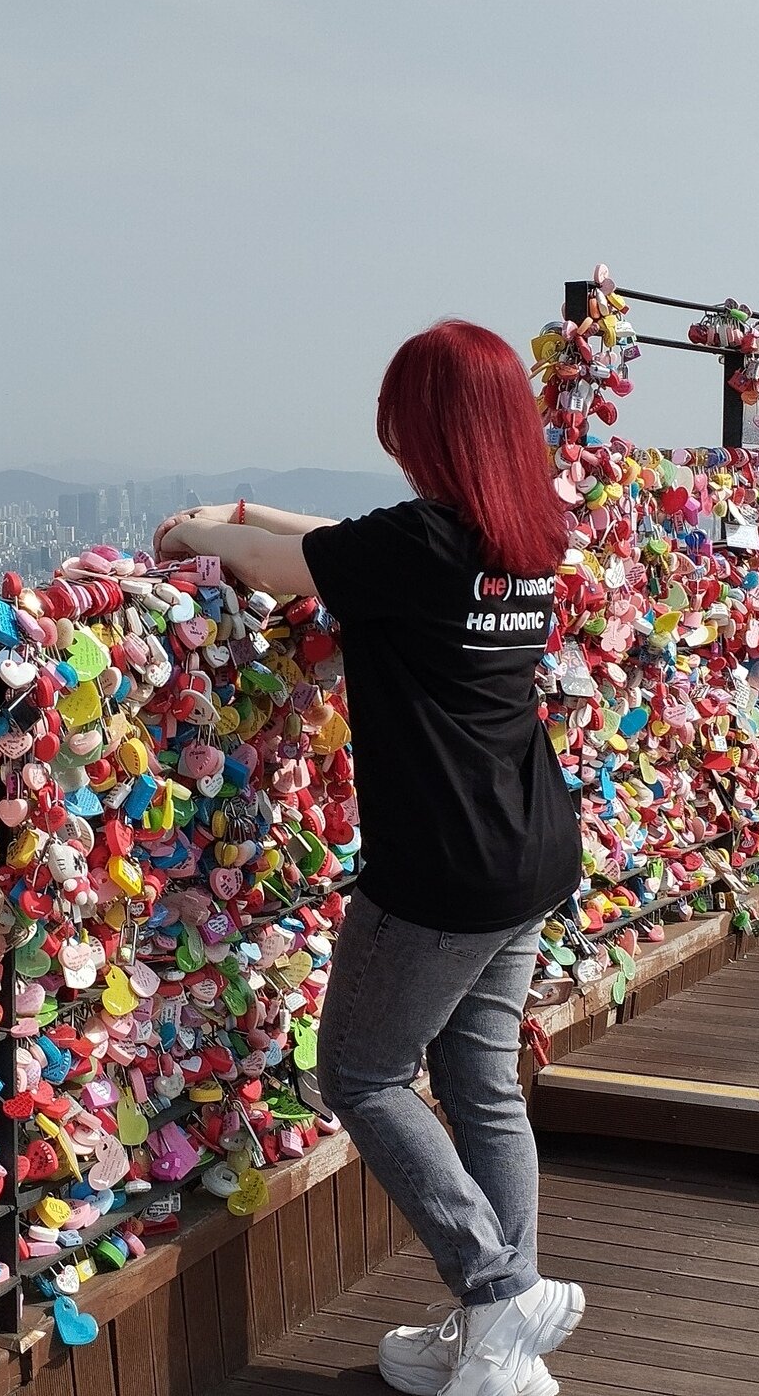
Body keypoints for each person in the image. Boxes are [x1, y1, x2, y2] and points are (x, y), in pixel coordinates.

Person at [153, 320, 586, 1396]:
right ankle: (498, 1331)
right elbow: (336, 541)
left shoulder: (421, 546)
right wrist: (251, 513)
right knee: (480, 1080)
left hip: (443, 865)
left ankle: (497, 1292)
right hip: (532, 843)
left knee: (360, 1072)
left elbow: (285, 565)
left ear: (424, 426)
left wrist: (199, 529)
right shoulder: (523, 533)